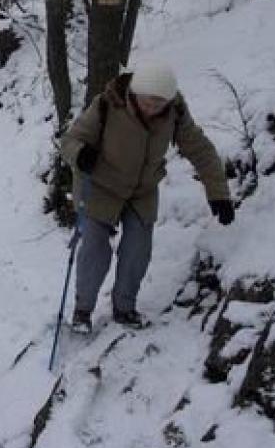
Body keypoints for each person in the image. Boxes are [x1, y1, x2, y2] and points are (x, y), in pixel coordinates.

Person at [60, 59, 234, 332]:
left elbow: (201, 150)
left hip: (141, 190)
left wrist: (218, 194)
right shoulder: (108, 104)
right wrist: (81, 155)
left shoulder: (175, 112)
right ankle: (83, 310)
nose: (153, 108)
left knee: (137, 250)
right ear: (134, 93)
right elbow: (70, 140)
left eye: (159, 103)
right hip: (100, 185)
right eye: (147, 101)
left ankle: (124, 308)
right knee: (95, 249)